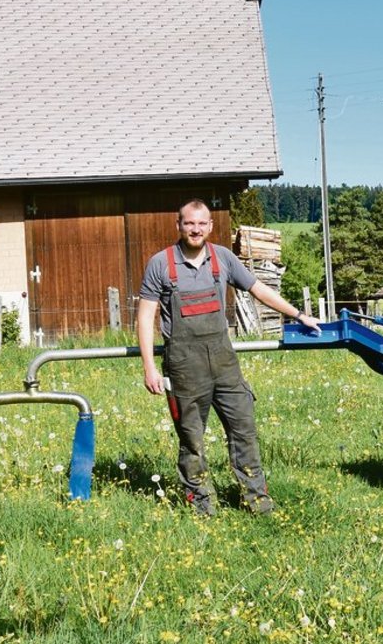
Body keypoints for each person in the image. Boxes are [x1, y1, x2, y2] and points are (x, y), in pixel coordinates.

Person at [136, 199, 321, 516]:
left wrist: (298, 314)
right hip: (183, 367)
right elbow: (144, 317)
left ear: (210, 226)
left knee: (244, 430)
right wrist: (149, 368)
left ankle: (257, 500)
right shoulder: (161, 264)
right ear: (178, 225)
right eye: (189, 223)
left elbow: (259, 289)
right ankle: (201, 503)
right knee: (192, 439)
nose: (195, 229)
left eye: (202, 223)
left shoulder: (223, 258)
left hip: (224, 364)